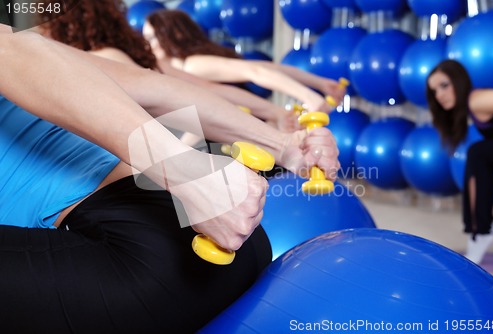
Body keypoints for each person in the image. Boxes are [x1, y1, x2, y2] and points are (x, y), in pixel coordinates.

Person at [0, 24, 339, 333]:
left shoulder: (20, 53)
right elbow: (155, 88)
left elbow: (11, 51)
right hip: (237, 245)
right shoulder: (42, 58)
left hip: (135, 264)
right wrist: (282, 145)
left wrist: (186, 173)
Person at [36, 0, 299, 134]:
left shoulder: (106, 58)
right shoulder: (143, 59)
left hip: (177, 163)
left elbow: (174, 110)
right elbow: (205, 92)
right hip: (192, 153)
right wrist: (272, 115)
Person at [142, 9, 346, 113]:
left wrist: (309, 97)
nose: (148, 45)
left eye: (152, 38)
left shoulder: (193, 65)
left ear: (175, 34)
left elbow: (255, 72)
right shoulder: (186, 67)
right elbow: (265, 67)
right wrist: (319, 84)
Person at [426, 59, 493, 264]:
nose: (439, 95)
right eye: (434, 91)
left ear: (458, 81)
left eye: (444, 86)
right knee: (479, 153)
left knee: (479, 152)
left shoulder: (477, 100)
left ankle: (481, 230)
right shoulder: (471, 106)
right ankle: (479, 230)